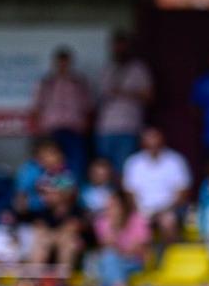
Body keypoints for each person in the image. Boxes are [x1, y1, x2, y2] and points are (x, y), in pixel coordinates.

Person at [122, 126, 192, 244]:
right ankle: (145, 261)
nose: (153, 143)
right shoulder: (133, 163)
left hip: (170, 209)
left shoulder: (176, 160)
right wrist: (140, 212)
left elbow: (183, 194)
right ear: (142, 142)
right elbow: (129, 194)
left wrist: (163, 211)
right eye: (149, 139)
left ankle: (170, 258)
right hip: (142, 210)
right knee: (137, 223)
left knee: (168, 221)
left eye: (155, 138)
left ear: (162, 140)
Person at [94, 32, 153, 167]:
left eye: (122, 46)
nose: (119, 49)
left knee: (125, 166)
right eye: (116, 46)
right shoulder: (107, 68)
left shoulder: (139, 68)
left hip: (129, 126)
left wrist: (123, 93)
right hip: (105, 127)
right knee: (104, 167)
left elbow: (149, 96)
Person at [28, 47, 93, 167]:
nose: (63, 65)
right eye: (60, 62)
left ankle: (72, 185)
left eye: (66, 62)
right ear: (55, 63)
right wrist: (38, 130)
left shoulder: (78, 82)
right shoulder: (47, 82)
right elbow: (37, 107)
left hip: (74, 129)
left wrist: (86, 129)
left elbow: (87, 108)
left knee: (76, 163)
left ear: (70, 63)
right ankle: (51, 185)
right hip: (51, 129)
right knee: (51, 163)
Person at [88, 188, 151, 286]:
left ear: (123, 206)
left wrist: (119, 247)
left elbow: (136, 250)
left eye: (113, 206)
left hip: (134, 263)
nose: (109, 209)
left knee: (107, 265)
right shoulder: (102, 222)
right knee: (109, 259)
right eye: (108, 206)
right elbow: (106, 245)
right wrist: (114, 227)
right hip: (111, 261)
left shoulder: (137, 220)